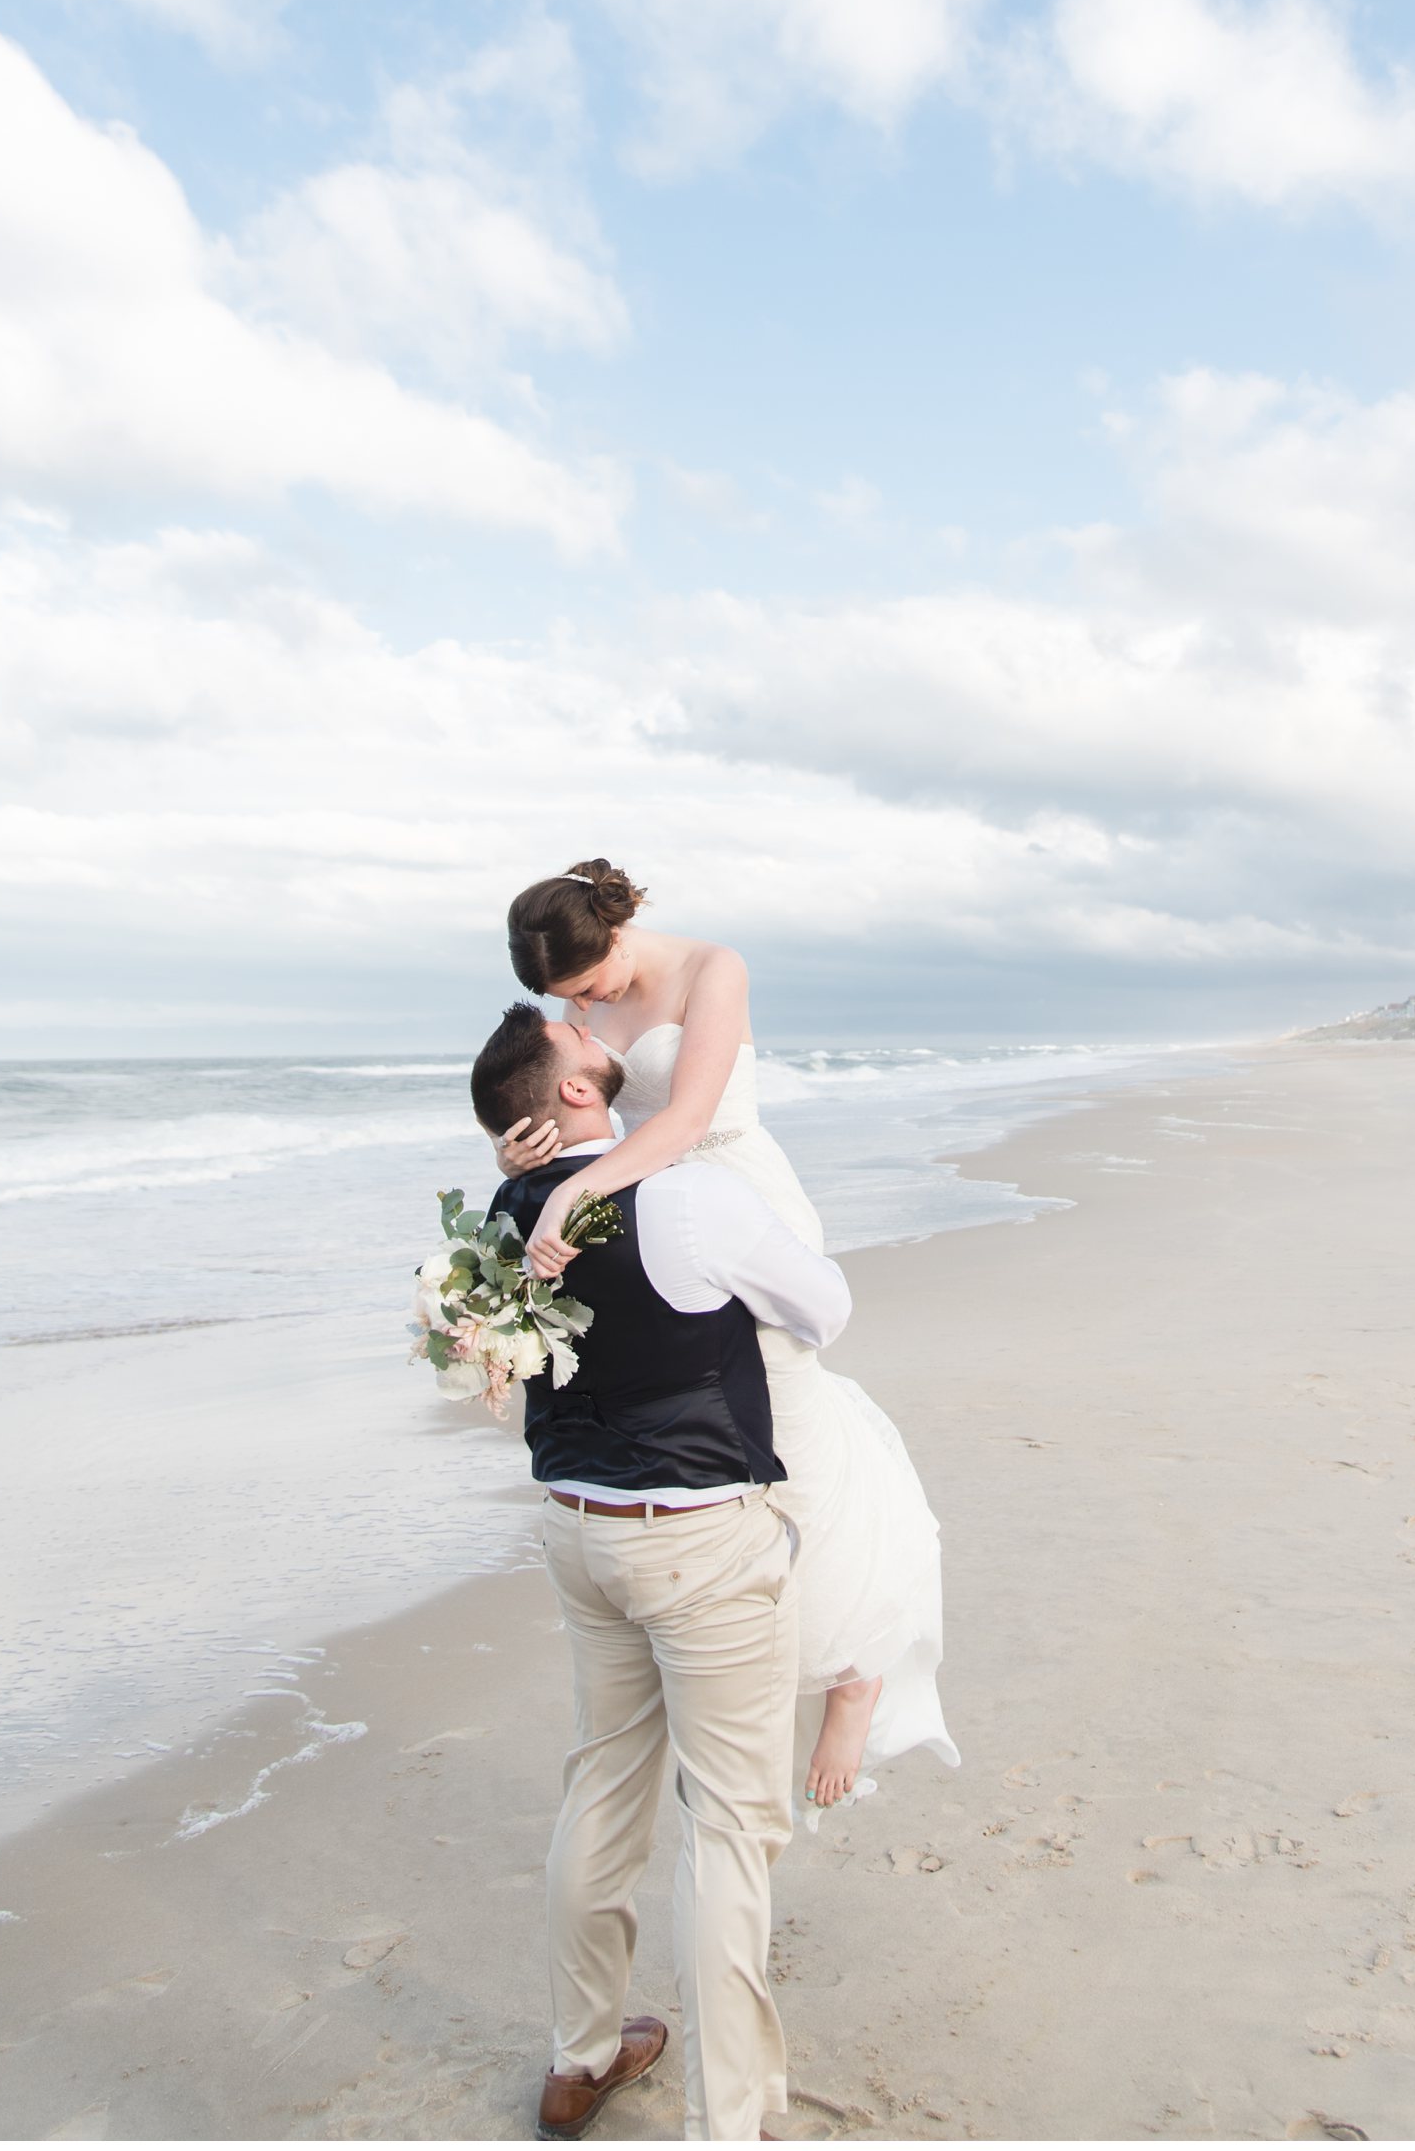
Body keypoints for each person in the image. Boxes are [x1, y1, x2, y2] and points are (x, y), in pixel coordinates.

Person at [495, 858, 957, 1815]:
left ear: (616, 936)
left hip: (733, 1196)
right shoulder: (576, 1009)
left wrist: (581, 1189)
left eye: (586, 986)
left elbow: (691, 1115)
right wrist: (521, 1158)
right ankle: (729, 1670)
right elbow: (572, 1104)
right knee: (710, 1438)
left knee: (789, 1432)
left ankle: (855, 1667)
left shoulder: (715, 970)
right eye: (563, 1000)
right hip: (642, 1213)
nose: (581, 1009)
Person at [471, 1003, 850, 2143]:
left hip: (578, 1531)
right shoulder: (688, 1195)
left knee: (602, 1788)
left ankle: (580, 2055)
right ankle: (727, 2120)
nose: (602, 1033)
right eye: (578, 1036)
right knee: (731, 1829)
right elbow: (825, 1309)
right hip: (697, 1540)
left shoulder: (507, 1207)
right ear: (580, 1094)